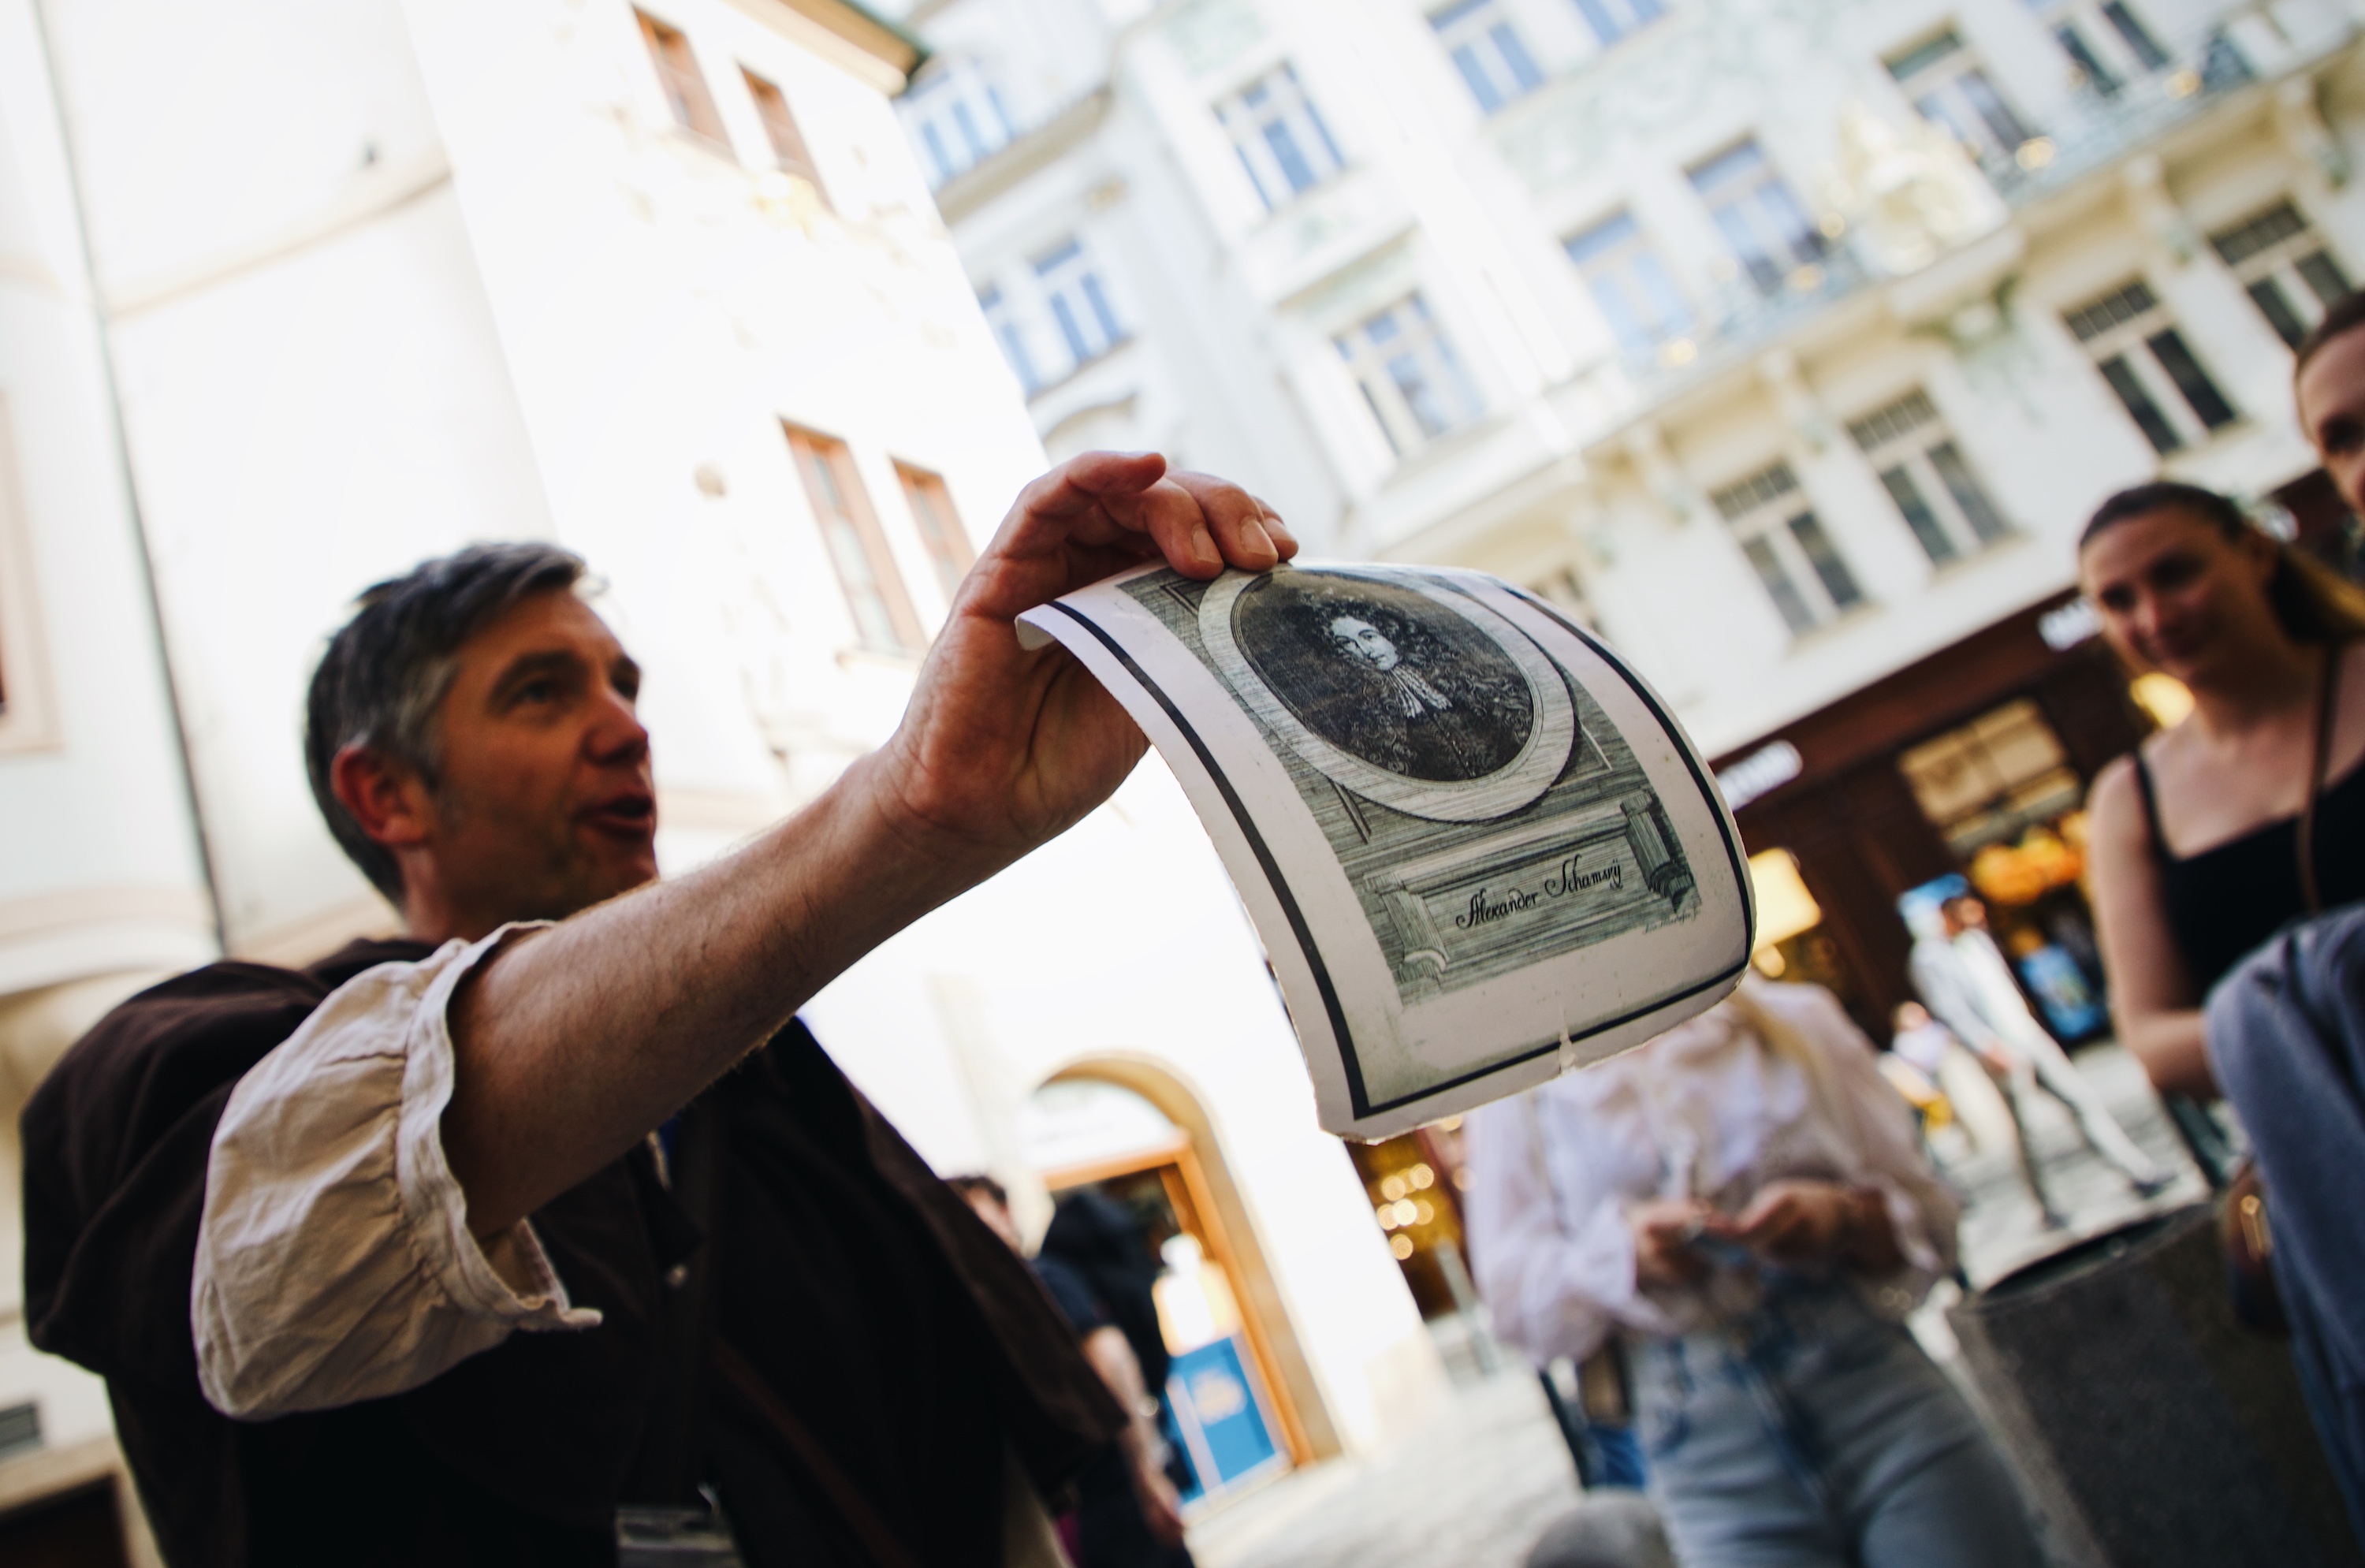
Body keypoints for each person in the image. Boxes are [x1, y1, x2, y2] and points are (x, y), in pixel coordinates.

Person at [20, 451, 1295, 1566]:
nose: (625, 728)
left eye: (622, 683)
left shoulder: (766, 1071)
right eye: (540, 691)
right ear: (385, 793)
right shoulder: (196, 1050)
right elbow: (269, 1238)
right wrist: (903, 813)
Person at [1465, 978, 2043, 1568]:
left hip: (1876, 1391)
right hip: (1705, 1449)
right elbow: (1514, 1301)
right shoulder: (1521, 1091)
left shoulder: (1791, 1019)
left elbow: (1934, 1218)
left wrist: (1838, 1214)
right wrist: (1624, 1253)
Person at [2079, 474, 2365, 1106]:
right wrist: (2334, 1013)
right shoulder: (2129, 797)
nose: (2155, 617)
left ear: (2257, 554)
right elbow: (2153, 1038)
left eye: (2176, 573)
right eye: (2119, 600)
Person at [951, 1177, 1193, 1568]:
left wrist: (1147, 1477)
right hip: (1088, 1498)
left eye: (976, 1216)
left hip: (1115, 1489)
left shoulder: (1040, 1280)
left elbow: (1110, 1357)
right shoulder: (1004, 1296)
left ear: (1005, 1215)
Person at [1908, 889, 2171, 1225]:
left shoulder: (1978, 941)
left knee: (2081, 1100)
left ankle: (2137, 1170)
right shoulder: (1929, 957)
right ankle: (2043, 1206)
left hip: (2028, 1035)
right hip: (1999, 1049)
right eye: (1967, 915)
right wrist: (1987, 1047)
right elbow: (1950, 1010)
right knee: (2025, 1130)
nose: (1976, 921)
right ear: (1948, 916)